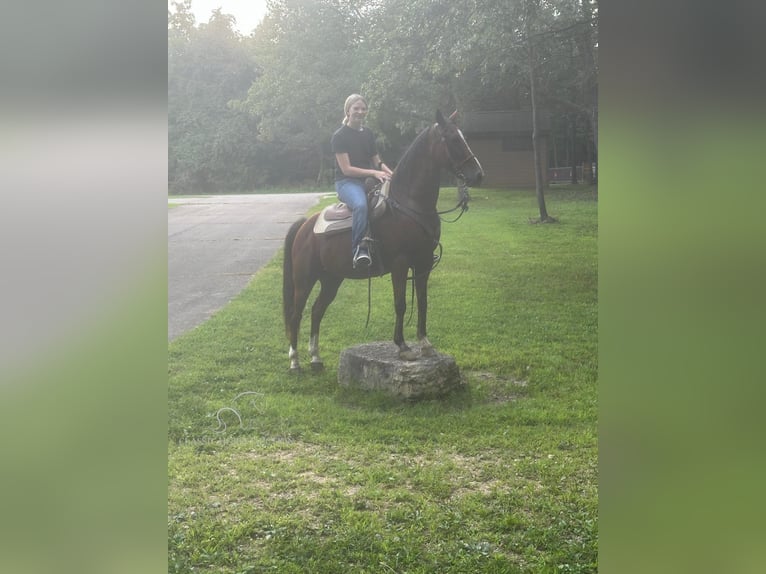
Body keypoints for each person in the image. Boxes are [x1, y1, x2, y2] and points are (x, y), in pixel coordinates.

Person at [331, 94, 393, 267]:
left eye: (363, 109)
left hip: (368, 179)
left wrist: (393, 174)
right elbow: (347, 169)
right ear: (348, 111)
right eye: (356, 108)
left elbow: (377, 161)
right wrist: (373, 173)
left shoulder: (368, 133)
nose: (360, 112)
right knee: (360, 205)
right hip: (346, 183)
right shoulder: (339, 136)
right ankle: (359, 249)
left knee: (396, 199)